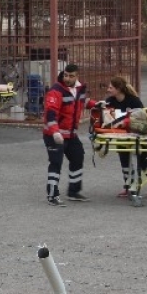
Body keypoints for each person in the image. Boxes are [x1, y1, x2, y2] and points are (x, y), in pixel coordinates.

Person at [43, 64, 99, 206]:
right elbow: (51, 113)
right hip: (54, 134)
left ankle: (73, 191)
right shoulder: (56, 91)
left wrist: (96, 105)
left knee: (78, 157)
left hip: (71, 134)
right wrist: (55, 131)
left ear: (77, 76)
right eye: (66, 75)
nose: (67, 78)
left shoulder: (79, 89)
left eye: (71, 76)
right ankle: (52, 195)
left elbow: (83, 102)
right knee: (56, 163)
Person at [104, 77, 147, 198]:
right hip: (122, 136)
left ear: (119, 89)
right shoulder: (110, 101)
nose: (108, 89)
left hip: (139, 136)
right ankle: (129, 187)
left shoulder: (134, 101)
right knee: (125, 162)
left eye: (111, 87)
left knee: (142, 161)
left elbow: (144, 118)